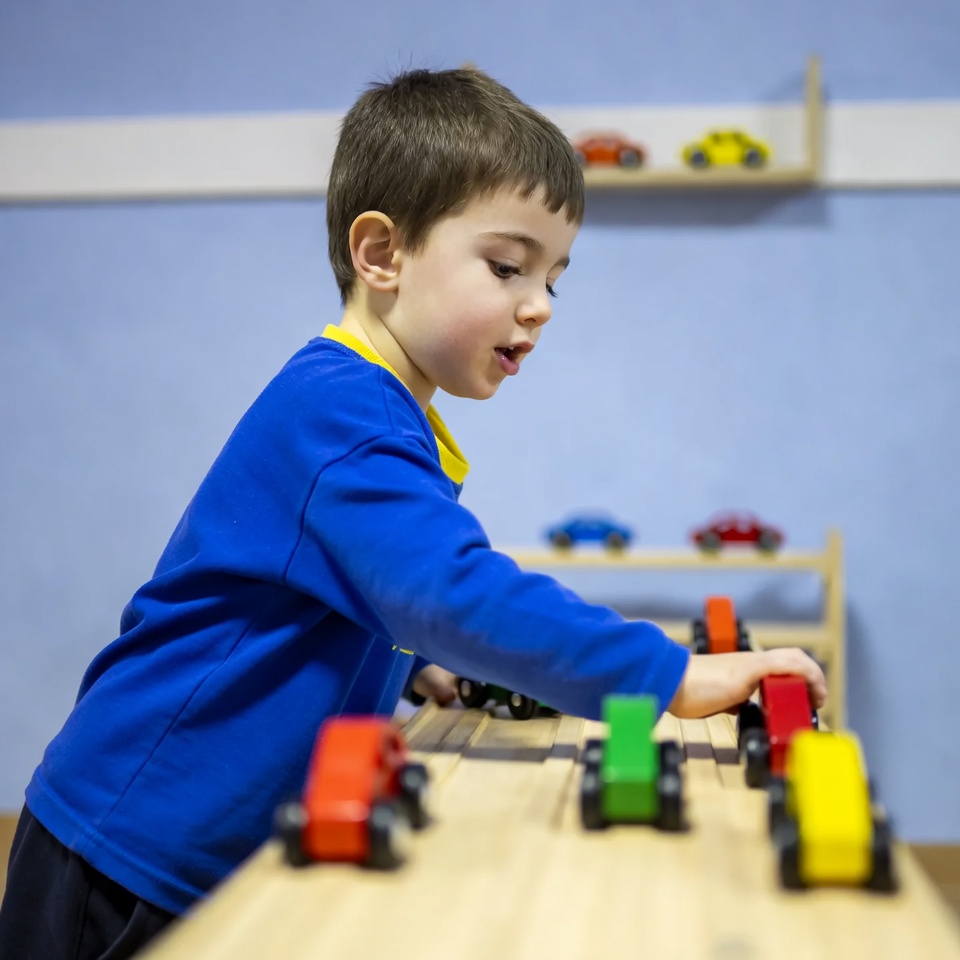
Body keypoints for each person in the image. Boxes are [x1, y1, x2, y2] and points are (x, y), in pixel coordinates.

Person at [0, 66, 826, 960]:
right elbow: (445, 592)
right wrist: (671, 676)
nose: (540, 307)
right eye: (507, 267)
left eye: (555, 279)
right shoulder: (342, 412)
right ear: (382, 254)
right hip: (128, 850)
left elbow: (348, 596)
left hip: (180, 848)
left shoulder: (371, 407)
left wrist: (416, 666)